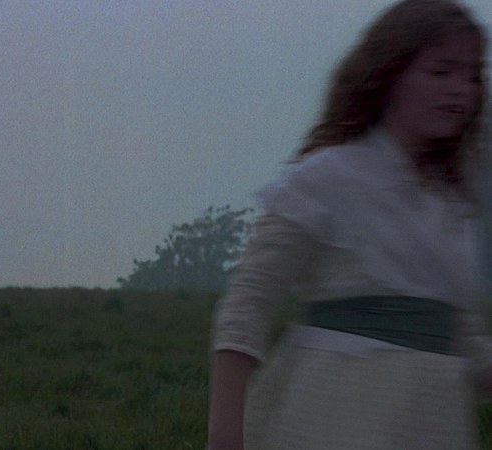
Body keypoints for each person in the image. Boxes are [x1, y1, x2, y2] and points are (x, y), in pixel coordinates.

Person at [207, 1, 492, 449]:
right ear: (390, 73)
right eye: (442, 71)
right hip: (336, 414)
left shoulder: (449, 204)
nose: (461, 89)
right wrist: (225, 435)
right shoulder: (327, 178)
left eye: (473, 75)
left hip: (432, 422)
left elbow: (461, 333)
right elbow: (248, 305)